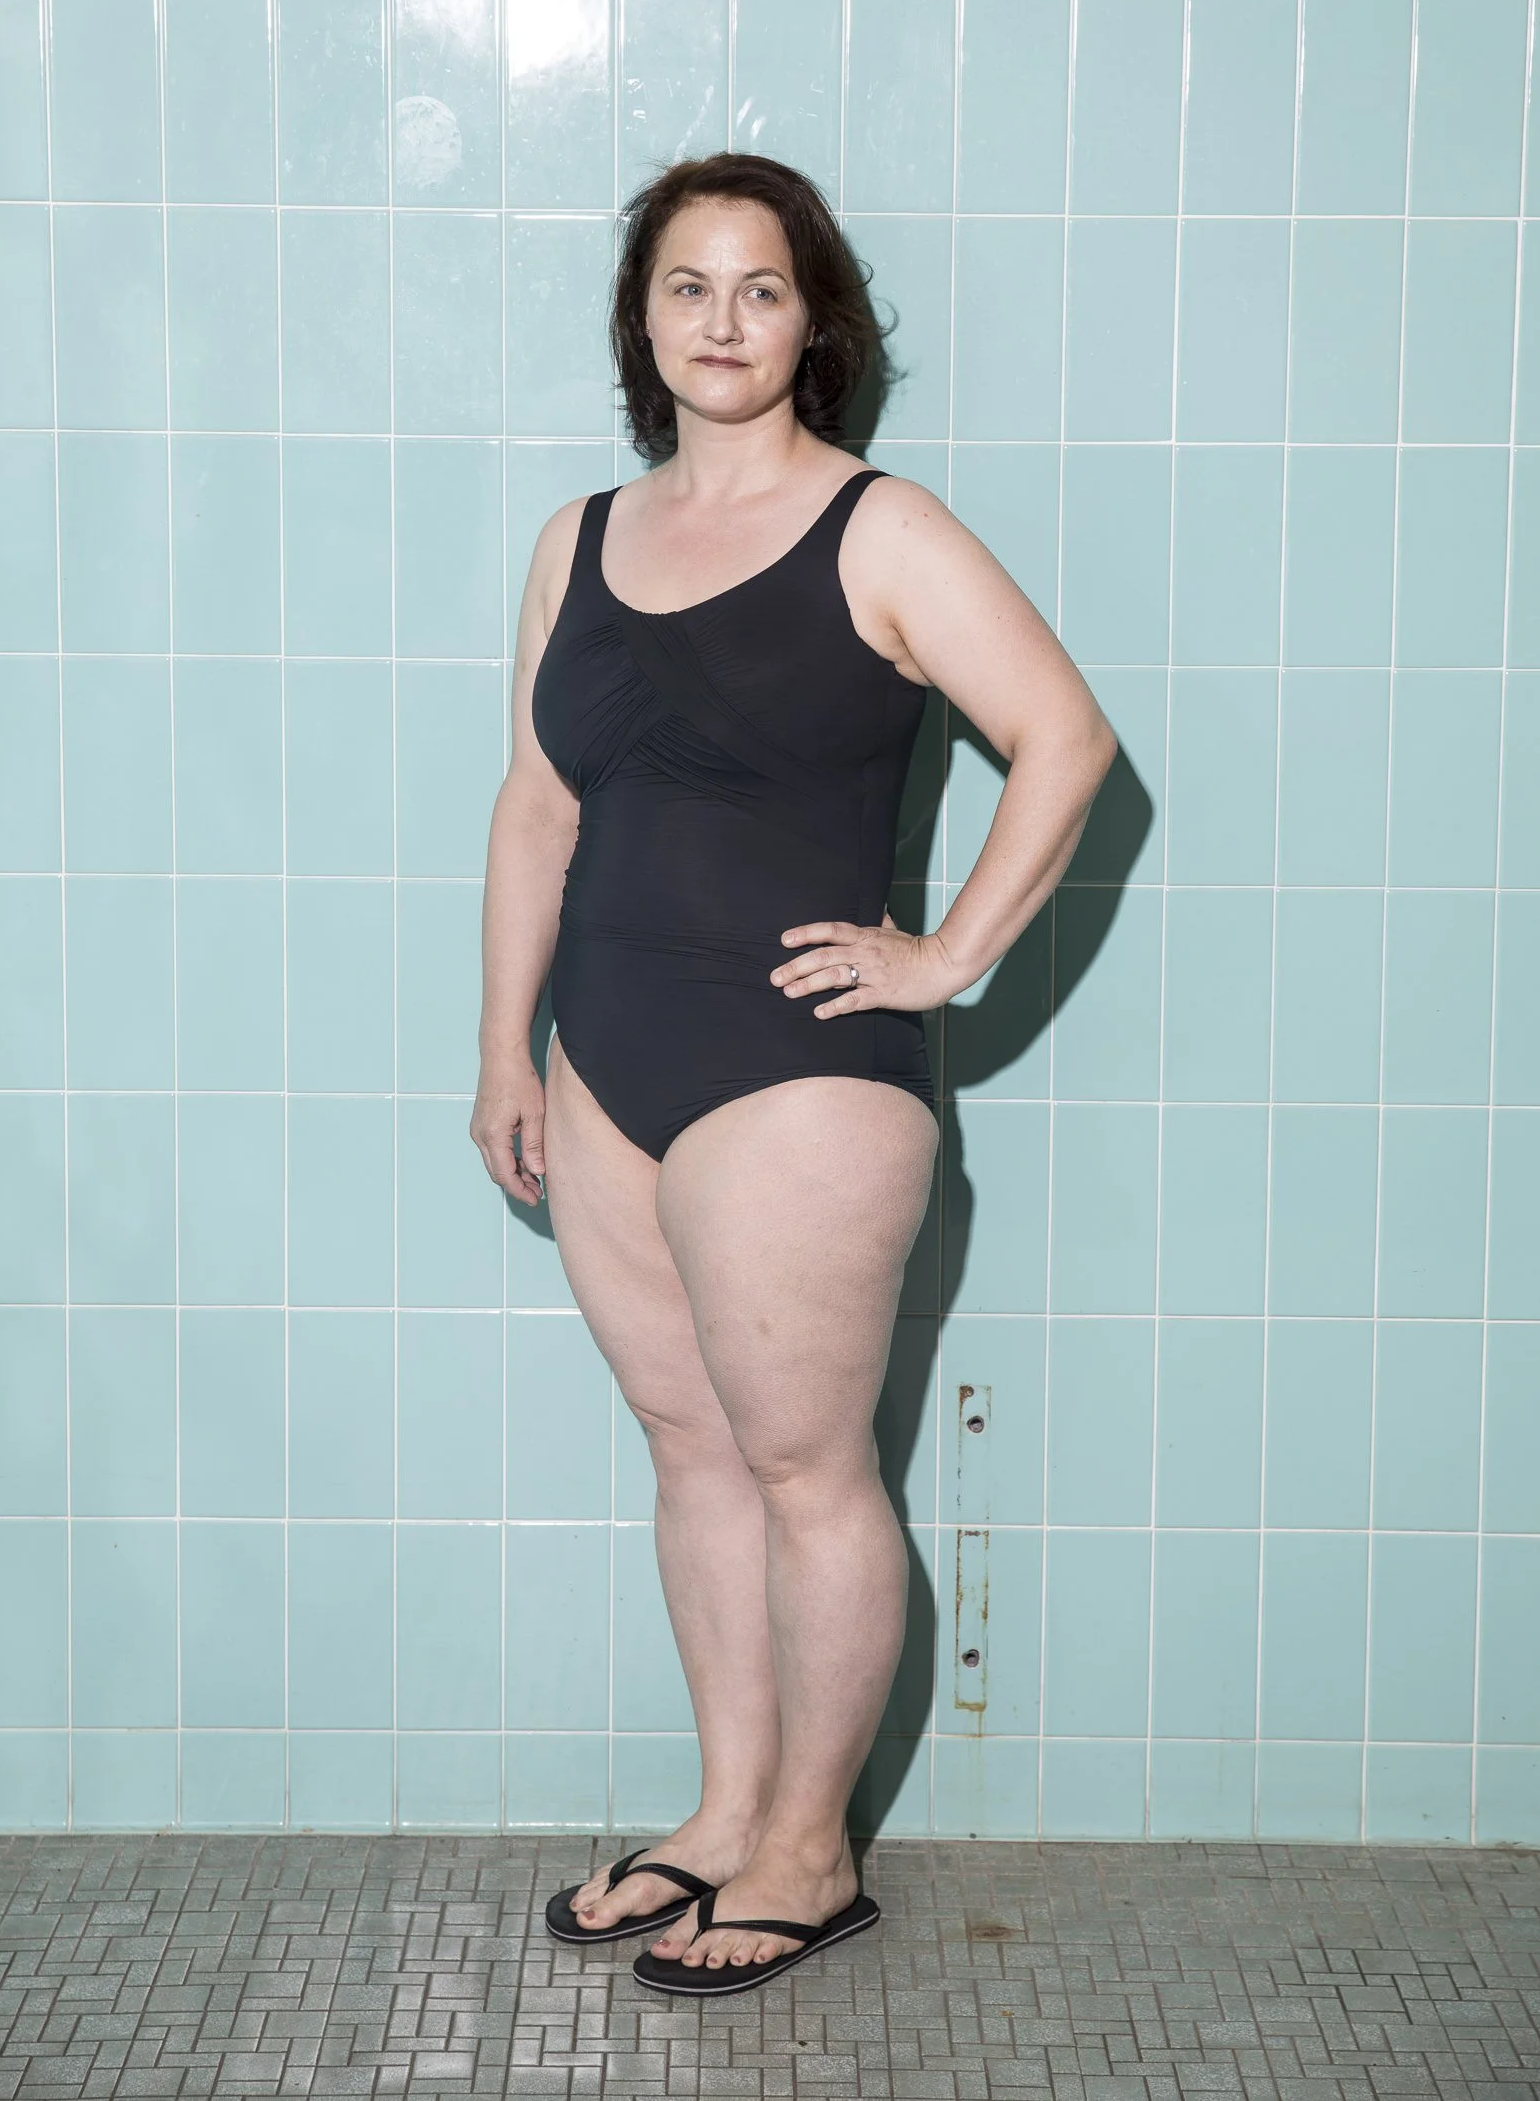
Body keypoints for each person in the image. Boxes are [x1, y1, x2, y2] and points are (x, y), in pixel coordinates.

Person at [469, 151, 1116, 1996]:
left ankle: (812, 1854)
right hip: (605, 1058)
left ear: (811, 322)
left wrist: (946, 957)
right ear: (643, 322)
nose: (722, 321)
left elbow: (1063, 741)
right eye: (688, 287)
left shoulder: (880, 530)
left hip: (799, 1074)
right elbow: (535, 806)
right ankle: (725, 1812)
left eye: (761, 289)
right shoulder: (575, 542)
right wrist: (501, 1046)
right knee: (693, 1452)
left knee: (806, 1463)